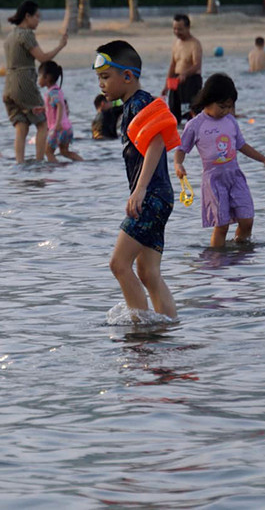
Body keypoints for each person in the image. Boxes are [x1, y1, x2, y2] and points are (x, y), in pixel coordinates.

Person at [93, 40, 177, 320]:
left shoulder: (138, 103)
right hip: (159, 196)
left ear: (127, 76)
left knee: (118, 264)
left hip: (151, 196)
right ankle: (167, 328)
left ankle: (140, 330)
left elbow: (156, 142)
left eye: (106, 77)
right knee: (148, 273)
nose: (101, 84)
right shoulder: (131, 105)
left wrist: (140, 190)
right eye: (99, 78)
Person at [175, 74, 265, 248]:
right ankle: (217, 258)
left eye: (229, 107)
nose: (225, 111)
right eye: (222, 106)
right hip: (214, 181)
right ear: (208, 99)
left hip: (235, 177)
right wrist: (178, 164)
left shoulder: (230, 121)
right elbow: (181, 149)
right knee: (222, 226)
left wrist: (264, 160)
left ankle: (240, 252)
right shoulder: (195, 125)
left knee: (247, 220)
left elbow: (242, 145)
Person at [4, 0, 67, 164]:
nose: (38, 21)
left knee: (21, 125)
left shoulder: (10, 36)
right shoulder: (26, 34)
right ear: (27, 16)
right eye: (37, 17)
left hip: (9, 84)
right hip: (24, 82)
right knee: (42, 123)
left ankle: (20, 164)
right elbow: (43, 58)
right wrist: (60, 46)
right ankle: (40, 162)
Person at [39, 60, 82, 163]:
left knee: (48, 152)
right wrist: (42, 109)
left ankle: (56, 170)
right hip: (67, 128)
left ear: (47, 77)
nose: (38, 79)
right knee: (64, 152)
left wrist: (57, 124)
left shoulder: (52, 92)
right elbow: (54, 107)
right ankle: (83, 163)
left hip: (58, 129)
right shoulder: (57, 90)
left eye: (39, 76)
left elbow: (60, 106)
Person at [165, 14, 203, 122]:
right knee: (173, 112)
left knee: (191, 112)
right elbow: (173, 64)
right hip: (176, 80)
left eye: (180, 29)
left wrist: (185, 74)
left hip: (191, 80)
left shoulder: (195, 44)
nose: (177, 32)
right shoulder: (176, 44)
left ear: (188, 28)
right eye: (175, 29)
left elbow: (197, 65)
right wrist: (166, 85)